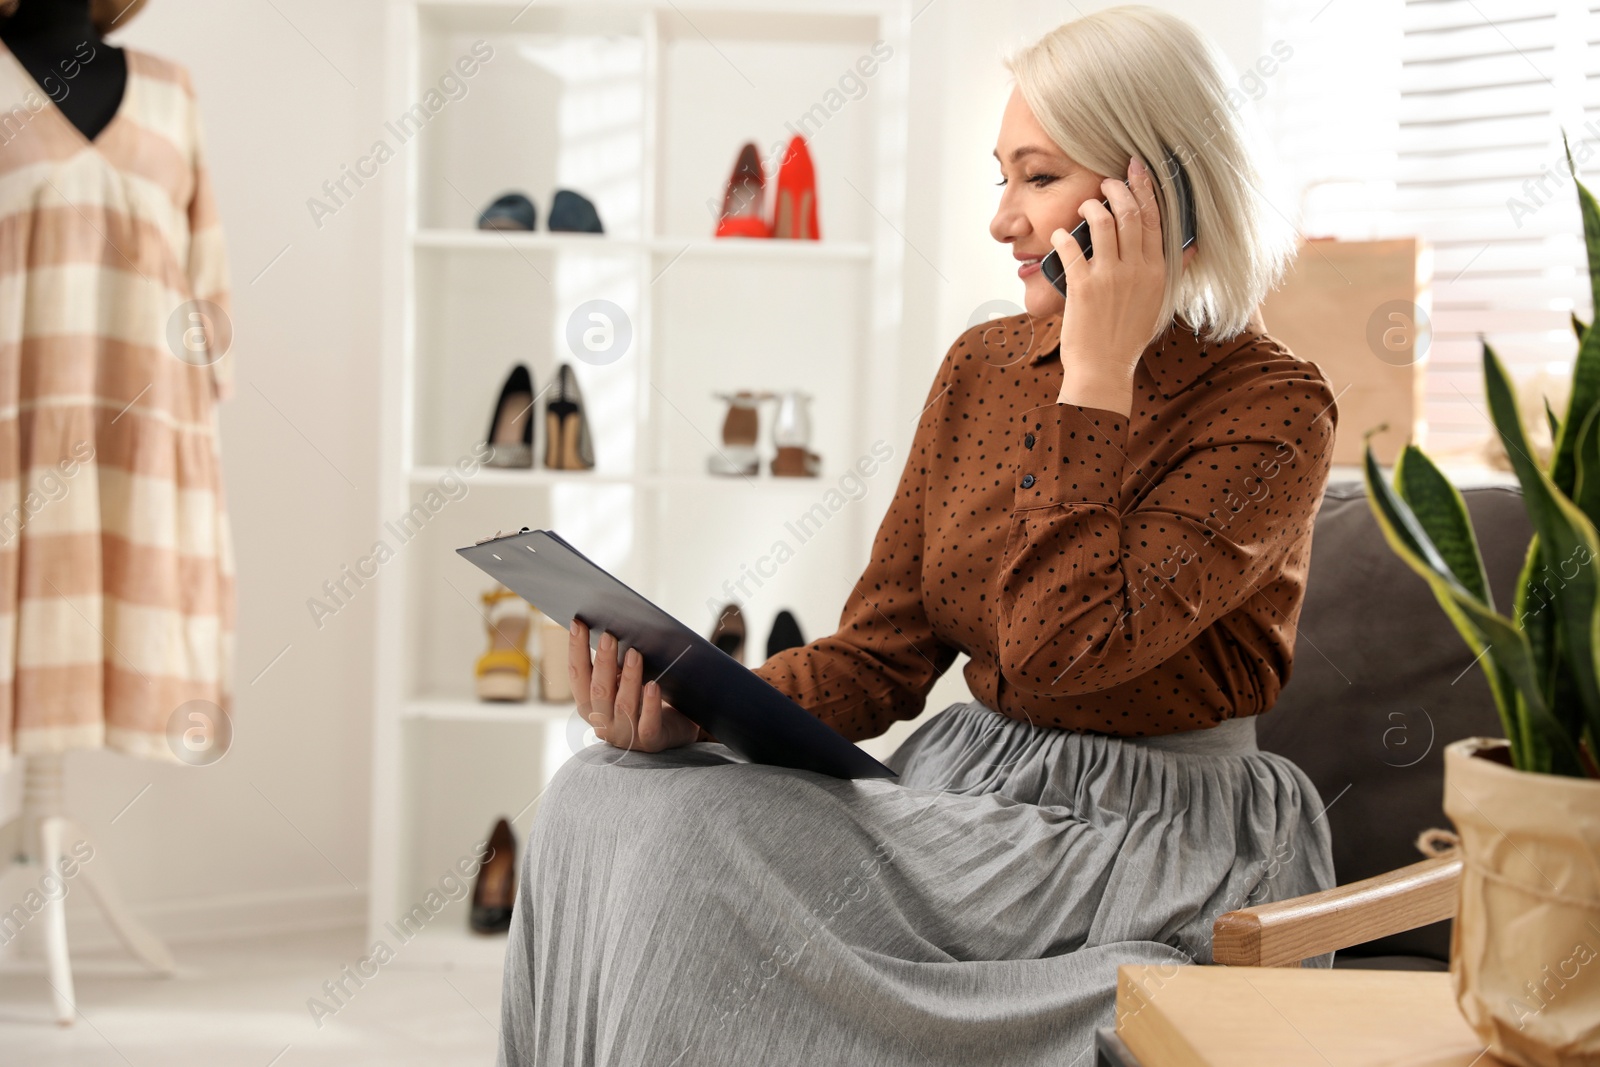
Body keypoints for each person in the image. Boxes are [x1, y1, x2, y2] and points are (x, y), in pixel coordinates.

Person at [497, 7, 1338, 1065]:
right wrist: (699, 709)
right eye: (1002, 178)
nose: (1002, 222)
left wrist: (1093, 377)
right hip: (969, 793)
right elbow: (882, 652)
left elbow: (1061, 646)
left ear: (1156, 195)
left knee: (684, 845)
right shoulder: (981, 366)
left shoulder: (1273, 407)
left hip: (1159, 839)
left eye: (1037, 178)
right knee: (603, 793)